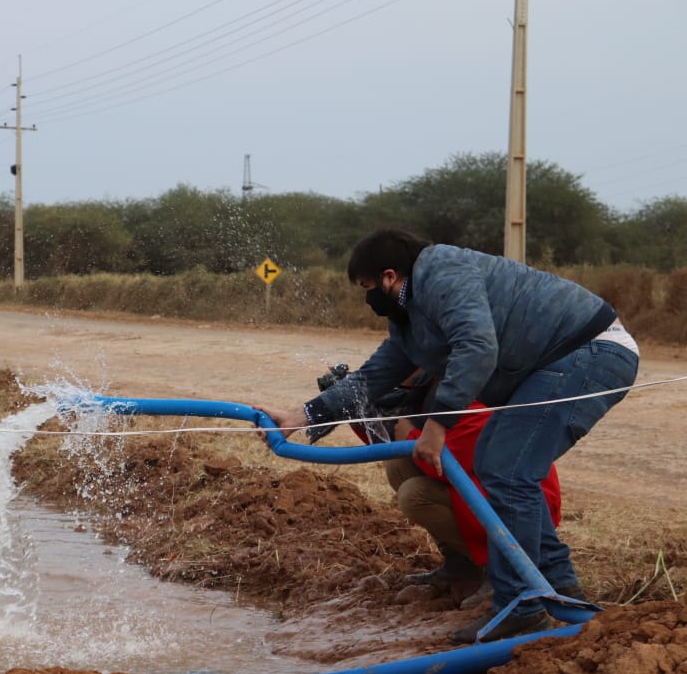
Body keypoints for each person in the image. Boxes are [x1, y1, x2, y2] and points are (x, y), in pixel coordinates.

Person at [257, 228, 640, 643]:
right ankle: (561, 591)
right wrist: (303, 415)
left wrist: (436, 425)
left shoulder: (441, 271)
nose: (369, 300)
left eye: (368, 288)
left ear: (389, 277)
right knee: (503, 469)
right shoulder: (412, 321)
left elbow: (476, 346)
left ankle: (522, 605)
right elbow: (373, 377)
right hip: (564, 360)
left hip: (589, 352)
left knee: (508, 471)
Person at [318, 366, 564, 609]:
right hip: (479, 489)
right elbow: (387, 442)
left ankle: (503, 571)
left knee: (414, 496)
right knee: (398, 465)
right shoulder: (435, 385)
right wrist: (356, 411)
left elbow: (452, 461)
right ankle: (461, 566)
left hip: (521, 507)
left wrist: (410, 436)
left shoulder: (474, 394)